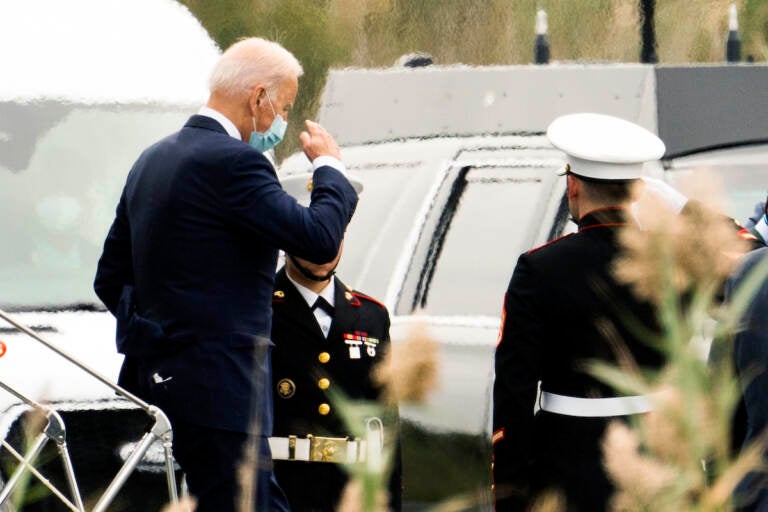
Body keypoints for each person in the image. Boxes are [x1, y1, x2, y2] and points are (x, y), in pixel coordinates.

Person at [93, 38, 358, 512]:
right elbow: (317, 237)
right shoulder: (236, 162)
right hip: (222, 393)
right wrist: (330, 168)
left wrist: (162, 340)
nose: (282, 122)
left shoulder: (152, 159)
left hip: (157, 387)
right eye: (284, 107)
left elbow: (110, 279)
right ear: (258, 98)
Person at [492, 113, 667, 511]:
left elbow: (514, 394)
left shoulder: (540, 268)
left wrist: (511, 494)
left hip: (567, 470)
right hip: (656, 467)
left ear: (572, 185)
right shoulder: (669, 264)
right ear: (637, 190)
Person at [268, 174, 402, 512]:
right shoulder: (258, 309)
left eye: (334, 232)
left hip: (350, 493)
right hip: (280, 489)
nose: (324, 245)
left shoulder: (372, 316)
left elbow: (386, 425)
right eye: (315, 232)